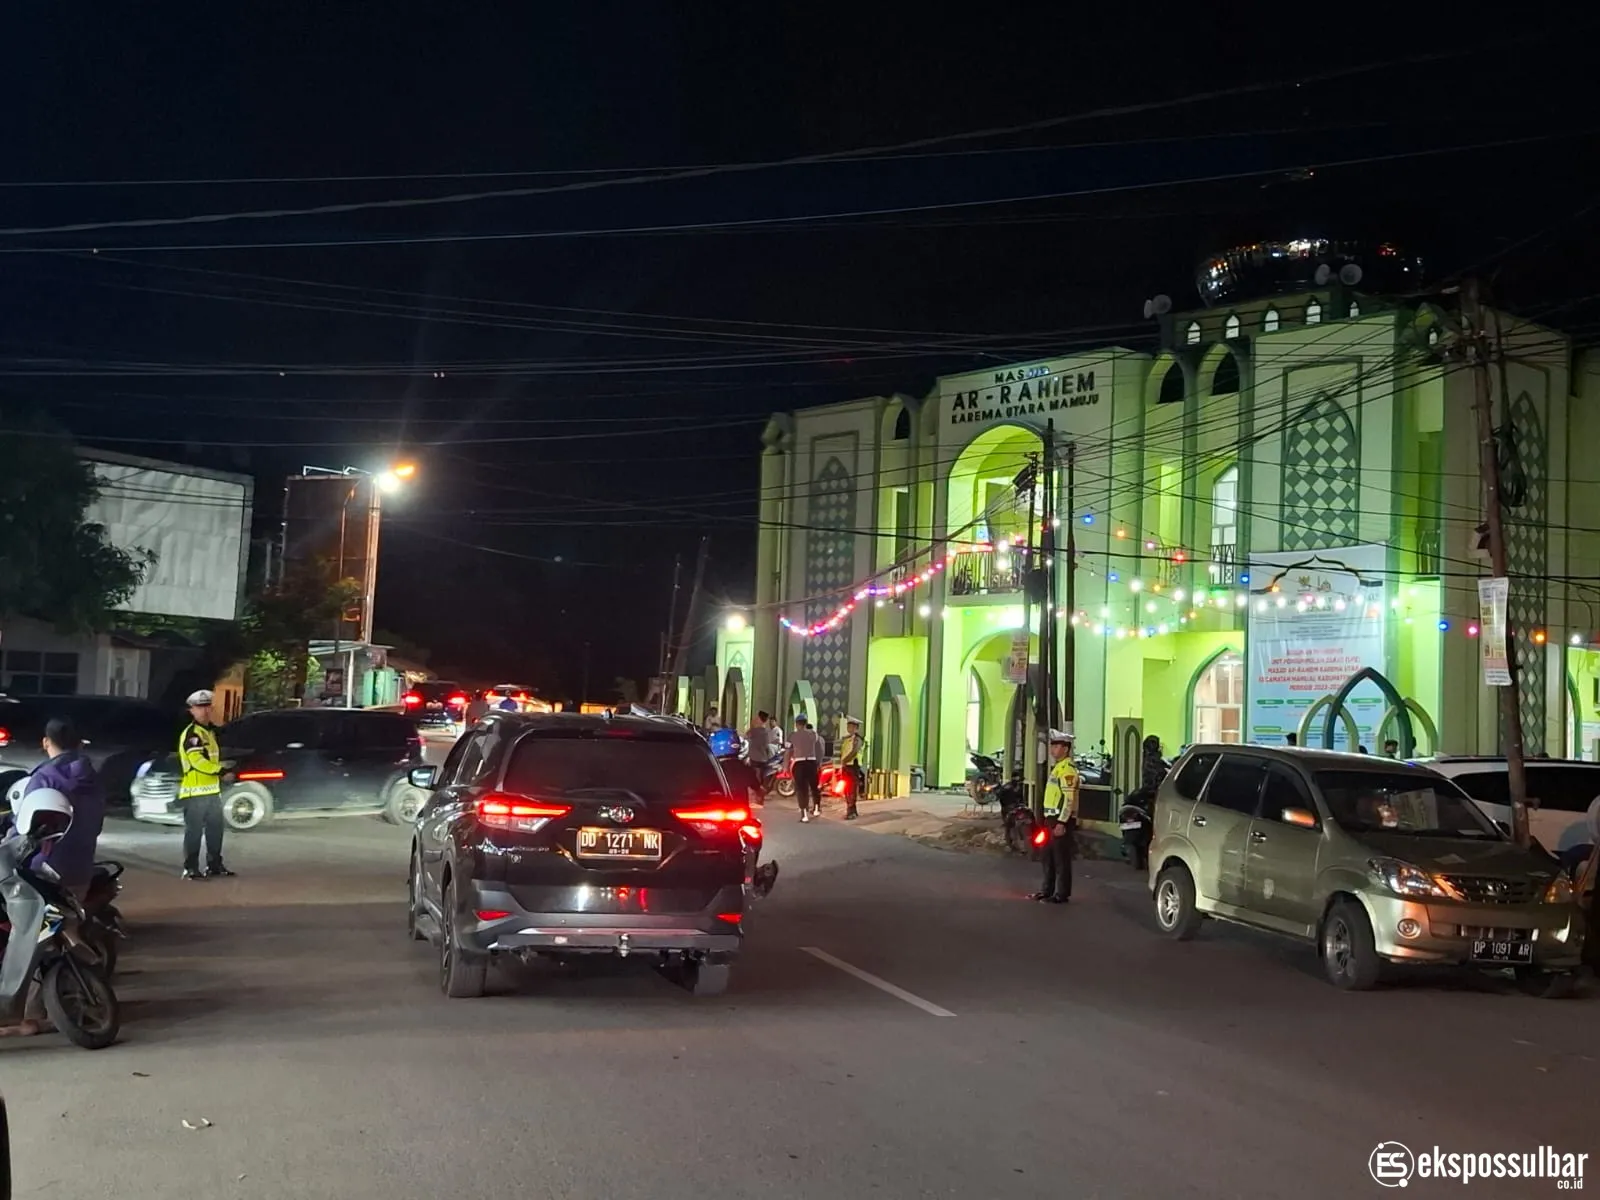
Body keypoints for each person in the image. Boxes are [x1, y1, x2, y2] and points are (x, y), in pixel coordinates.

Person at [22, 718, 104, 902]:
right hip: (82, 868)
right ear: (80, 744)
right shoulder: (94, 777)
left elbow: (25, 827)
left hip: (44, 869)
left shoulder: (43, 779)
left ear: (46, 742)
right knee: (70, 924)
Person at [178, 689, 233, 880]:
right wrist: (220, 771)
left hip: (212, 792)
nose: (205, 711)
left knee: (215, 831)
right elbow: (197, 762)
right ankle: (191, 868)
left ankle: (215, 865)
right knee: (194, 833)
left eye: (208, 706)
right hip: (194, 793)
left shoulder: (209, 733)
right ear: (191, 710)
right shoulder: (192, 734)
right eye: (200, 707)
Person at [1032, 729, 1081, 904]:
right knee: (1048, 856)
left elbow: (1069, 800)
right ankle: (1047, 890)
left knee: (1061, 858)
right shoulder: (1058, 769)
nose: (1053, 749)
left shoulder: (1067, 770)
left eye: (1057, 746)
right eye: (1052, 745)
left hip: (1061, 820)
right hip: (1051, 819)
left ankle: (1061, 894)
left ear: (1066, 749)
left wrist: (1062, 822)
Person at [788, 713, 822, 822]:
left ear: (797, 724)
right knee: (814, 787)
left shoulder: (792, 735)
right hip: (811, 762)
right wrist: (818, 762)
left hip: (799, 763)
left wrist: (785, 766)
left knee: (802, 789)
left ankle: (804, 814)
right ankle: (816, 808)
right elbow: (819, 749)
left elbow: (788, 751)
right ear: (806, 723)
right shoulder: (813, 735)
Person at [838, 716, 866, 820]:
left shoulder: (857, 739)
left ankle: (851, 811)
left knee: (851, 789)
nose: (849, 728)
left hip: (853, 766)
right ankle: (852, 810)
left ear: (856, 728)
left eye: (852, 727)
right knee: (847, 789)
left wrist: (845, 760)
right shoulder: (846, 739)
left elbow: (854, 751)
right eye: (848, 726)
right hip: (846, 766)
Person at [744, 711, 775, 804]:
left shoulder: (754, 731)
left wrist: (752, 725)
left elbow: (746, 735)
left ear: (759, 719)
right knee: (760, 778)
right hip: (763, 758)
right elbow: (766, 745)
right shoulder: (766, 732)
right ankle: (760, 798)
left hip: (755, 758)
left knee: (754, 778)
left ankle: (757, 797)